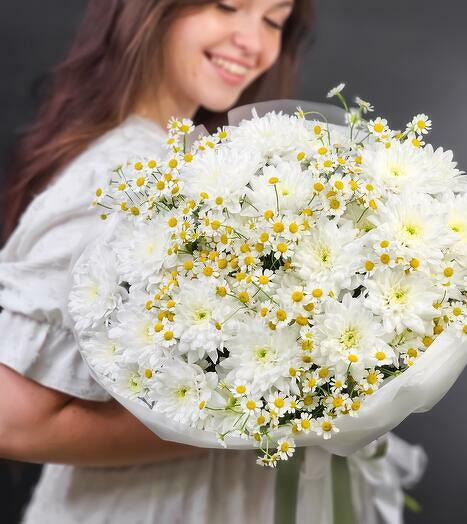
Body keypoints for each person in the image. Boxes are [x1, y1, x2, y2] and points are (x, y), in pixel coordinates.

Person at [0, 1, 314, 522]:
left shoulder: (198, 162)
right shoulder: (123, 174)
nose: (253, 42)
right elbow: (12, 420)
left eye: (274, 21)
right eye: (229, 6)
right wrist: (263, 419)